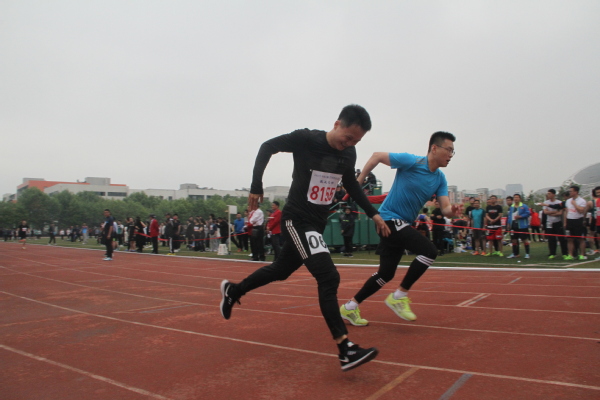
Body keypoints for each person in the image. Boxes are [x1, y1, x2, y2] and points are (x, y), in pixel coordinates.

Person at [220, 104, 389, 371]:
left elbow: (351, 184)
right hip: (296, 219)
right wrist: (256, 186)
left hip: (317, 224)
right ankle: (345, 348)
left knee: (281, 269)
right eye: (348, 138)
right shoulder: (306, 139)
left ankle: (234, 290)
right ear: (337, 124)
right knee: (328, 277)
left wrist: (374, 214)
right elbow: (267, 146)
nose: (349, 144)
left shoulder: (349, 152)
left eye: (356, 142)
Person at [341, 131, 459, 329]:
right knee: (429, 251)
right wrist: (357, 183)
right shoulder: (412, 161)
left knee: (386, 274)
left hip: (401, 224)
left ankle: (349, 307)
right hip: (388, 219)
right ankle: (399, 295)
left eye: (453, 152)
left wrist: (452, 211)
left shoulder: (440, 178)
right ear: (434, 148)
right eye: (449, 150)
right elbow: (377, 156)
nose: (450, 155)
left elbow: (446, 208)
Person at [565, 185, 588, 261]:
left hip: (578, 221)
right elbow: (567, 211)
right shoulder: (568, 201)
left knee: (580, 239)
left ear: (576, 192)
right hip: (570, 221)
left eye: (571, 191)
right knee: (570, 239)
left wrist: (574, 204)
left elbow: (581, 211)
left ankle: (582, 254)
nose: (570, 192)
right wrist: (565, 222)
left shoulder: (582, 201)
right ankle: (570, 254)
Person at [506, 193, 531, 259]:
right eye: (515, 197)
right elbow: (509, 216)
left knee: (524, 239)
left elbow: (528, 213)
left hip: (522, 226)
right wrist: (508, 223)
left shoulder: (524, 206)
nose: (516, 199)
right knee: (514, 240)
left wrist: (520, 216)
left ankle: (527, 254)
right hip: (513, 226)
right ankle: (515, 253)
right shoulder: (511, 207)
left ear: (520, 199)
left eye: (517, 197)